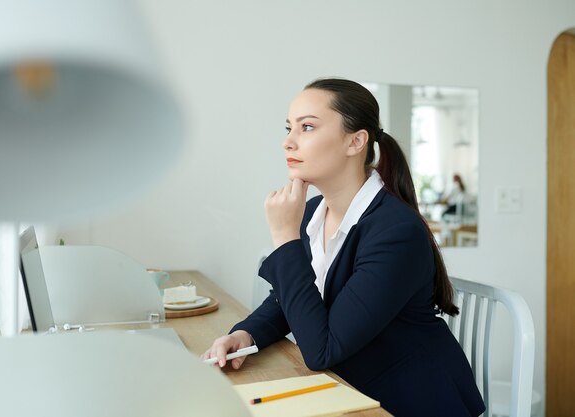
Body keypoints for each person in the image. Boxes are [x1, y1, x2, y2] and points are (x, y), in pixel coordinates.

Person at [203, 78, 485, 417]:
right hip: (347, 389)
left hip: (406, 401)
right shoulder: (312, 212)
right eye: (289, 128)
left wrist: (285, 238)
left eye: (307, 127)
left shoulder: (395, 231)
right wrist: (248, 334)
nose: (287, 142)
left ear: (356, 141)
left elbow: (322, 350)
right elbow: (289, 299)